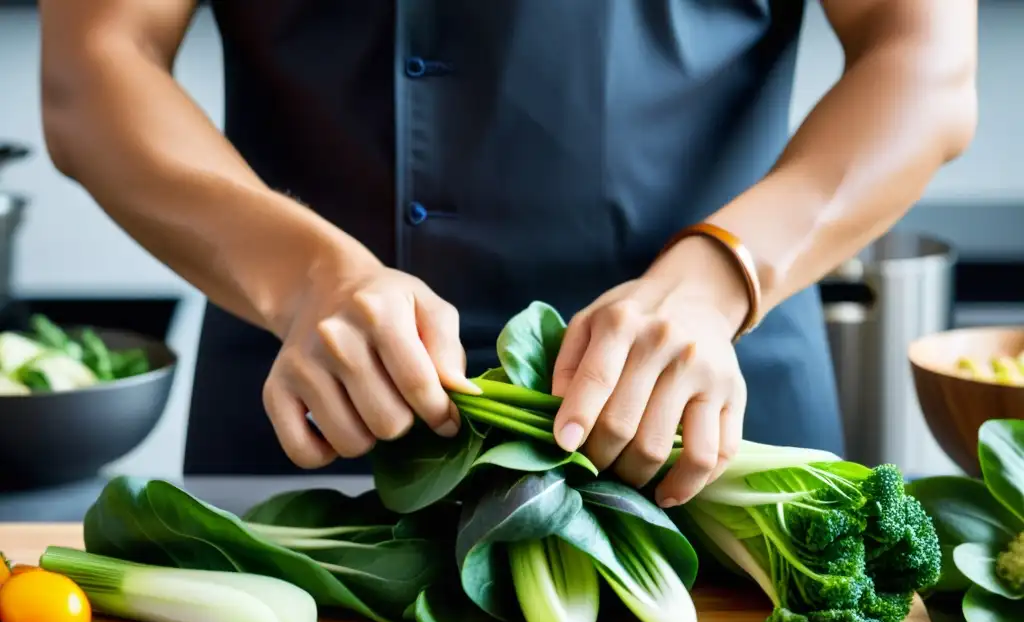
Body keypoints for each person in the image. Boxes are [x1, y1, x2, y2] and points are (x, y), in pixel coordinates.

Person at [38, 1, 976, 507]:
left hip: (710, 411)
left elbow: (923, 56)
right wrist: (299, 276)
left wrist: (722, 273)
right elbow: (96, 61)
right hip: (312, 415)